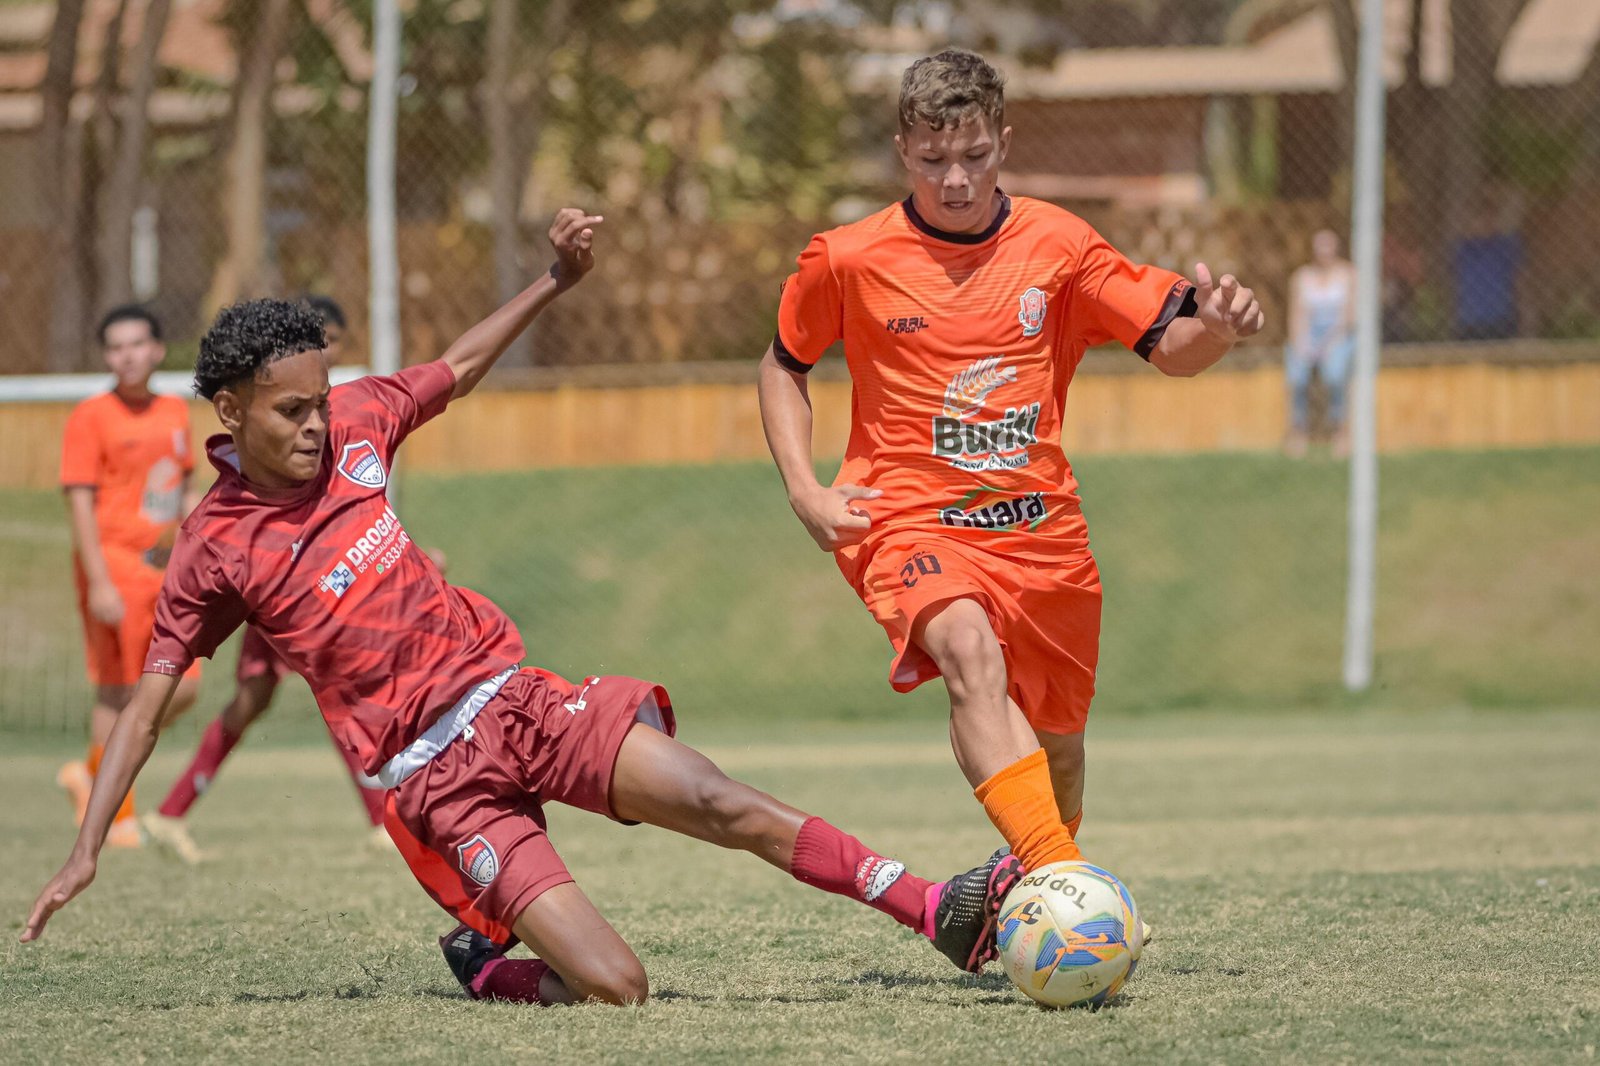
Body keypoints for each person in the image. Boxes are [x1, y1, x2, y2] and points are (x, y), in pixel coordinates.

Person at [22, 210, 1022, 1007]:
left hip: (516, 702)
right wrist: (85, 846)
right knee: (615, 986)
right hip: (439, 785)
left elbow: (454, 368)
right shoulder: (213, 546)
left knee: (723, 800)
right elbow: (149, 706)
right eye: (292, 411)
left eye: (323, 401)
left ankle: (935, 906)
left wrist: (556, 278)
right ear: (231, 411)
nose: (319, 425)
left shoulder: (361, 420)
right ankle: (491, 964)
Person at [756, 51, 1264, 915]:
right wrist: (806, 489)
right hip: (906, 518)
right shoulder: (846, 257)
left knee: (1060, 748)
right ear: (901, 152)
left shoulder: (1061, 246)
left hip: (1041, 533)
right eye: (932, 160)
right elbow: (783, 364)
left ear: (1004, 143)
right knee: (966, 654)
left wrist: (1216, 331)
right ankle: (1069, 889)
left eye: (976, 155)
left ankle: (1033, 875)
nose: (955, 179)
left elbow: (1171, 351)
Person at [141, 296, 403, 864]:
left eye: (333, 340)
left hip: (316, 581)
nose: (325, 351)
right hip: (284, 587)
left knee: (256, 699)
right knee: (332, 685)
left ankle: (172, 811)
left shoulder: (335, 411)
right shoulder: (275, 424)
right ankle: (381, 819)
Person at [57, 306, 204, 848]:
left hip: (166, 572)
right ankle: (116, 815)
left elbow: (184, 489)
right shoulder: (91, 416)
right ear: (106, 357)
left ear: (158, 349)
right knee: (118, 692)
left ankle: (91, 774)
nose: (128, 355)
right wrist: (98, 580)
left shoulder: (172, 411)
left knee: (181, 688)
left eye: (137, 343)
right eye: (116, 347)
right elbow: (78, 502)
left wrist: (198, 545)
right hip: (115, 568)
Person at [1284, 229, 1356, 458]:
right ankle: (1298, 431)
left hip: (1339, 335)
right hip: (1309, 335)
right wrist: (1302, 344)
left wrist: (1329, 343)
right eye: (1319, 247)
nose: (1324, 252)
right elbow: (1296, 316)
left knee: (1334, 375)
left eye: (1328, 247)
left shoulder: (1349, 274)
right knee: (1296, 376)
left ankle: (1340, 432)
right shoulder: (1301, 277)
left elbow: (1350, 317)